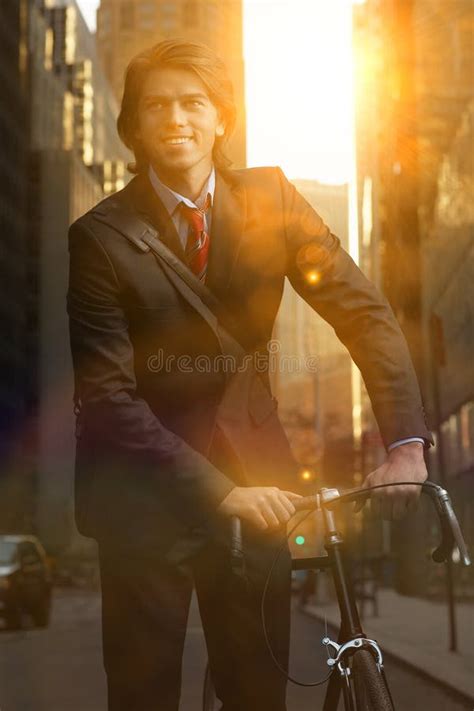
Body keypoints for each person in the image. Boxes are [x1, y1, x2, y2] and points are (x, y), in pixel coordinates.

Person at [67, 39, 433, 711]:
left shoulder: (272, 199)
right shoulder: (100, 237)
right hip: (146, 499)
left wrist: (405, 443)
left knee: (260, 694)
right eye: (157, 105)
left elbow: (364, 313)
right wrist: (221, 493)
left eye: (192, 102)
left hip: (260, 474)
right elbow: (109, 399)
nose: (176, 119)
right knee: (143, 697)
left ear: (222, 118)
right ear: (137, 128)